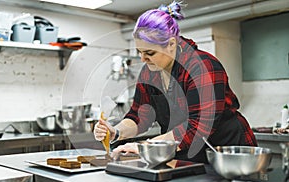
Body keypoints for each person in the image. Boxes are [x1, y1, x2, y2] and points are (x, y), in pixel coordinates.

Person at [94, 1, 257, 163]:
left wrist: (148, 146)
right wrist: (115, 131)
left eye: (149, 52)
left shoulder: (202, 67)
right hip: (184, 154)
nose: (143, 59)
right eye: (140, 52)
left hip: (226, 154)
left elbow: (198, 127)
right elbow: (139, 115)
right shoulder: (149, 73)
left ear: (171, 44)